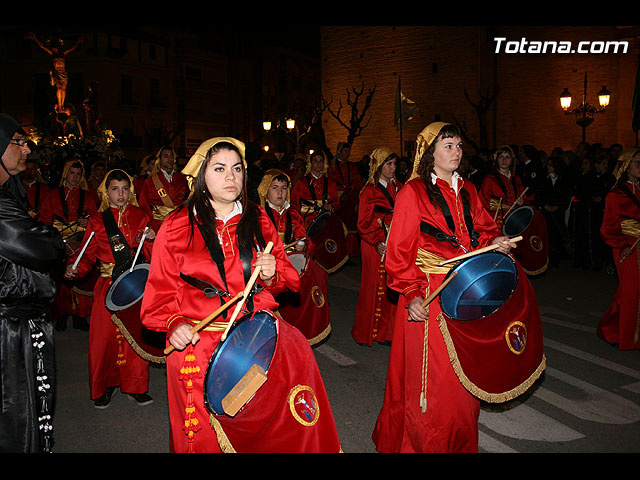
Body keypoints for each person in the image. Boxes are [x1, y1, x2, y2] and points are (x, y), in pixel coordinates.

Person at [140, 137, 341, 453]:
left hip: (253, 339)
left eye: (237, 168)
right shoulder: (176, 225)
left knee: (267, 426)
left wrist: (272, 272)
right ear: (202, 175)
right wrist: (174, 323)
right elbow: (158, 296)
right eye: (219, 169)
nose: (230, 177)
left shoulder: (259, 219)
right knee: (202, 439)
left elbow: (290, 279)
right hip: (197, 343)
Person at [372, 122, 517, 453]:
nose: (456, 151)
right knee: (435, 383)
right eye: (448, 145)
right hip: (429, 292)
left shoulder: (468, 189)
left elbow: (483, 228)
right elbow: (398, 253)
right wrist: (411, 294)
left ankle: (460, 441)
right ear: (429, 152)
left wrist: (495, 240)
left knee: (465, 373)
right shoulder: (413, 192)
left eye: (459, 145)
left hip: (468, 289)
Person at [0, 113, 66, 452]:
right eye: (19, 141)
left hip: (20, 320)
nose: (27, 149)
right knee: (16, 414)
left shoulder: (7, 198)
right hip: (7, 329)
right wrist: (52, 240)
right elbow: (44, 247)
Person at [65, 169, 156, 408]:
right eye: (115, 189)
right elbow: (87, 255)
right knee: (103, 339)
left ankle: (136, 386)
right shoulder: (97, 219)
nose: (121, 194)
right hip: (107, 284)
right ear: (107, 192)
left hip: (135, 284)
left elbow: (152, 256)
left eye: (125, 189)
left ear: (131, 191)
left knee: (134, 335)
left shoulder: (141, 215)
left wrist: (151, 239)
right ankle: (105, 386)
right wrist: (74, 269)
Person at [257, 169, 331, 344]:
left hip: (292, 260)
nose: (280, 193)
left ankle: (308, 325)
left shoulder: (294, 213)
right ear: (265, 190)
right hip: (270, 265)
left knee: (318, 274)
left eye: (283, 188)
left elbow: (306, 241)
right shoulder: (259, 215)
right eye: (275, 188)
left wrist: (303, 244)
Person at [40, 158, 98, 331]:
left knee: (80, 278)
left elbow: (95, 218)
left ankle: (80, 315)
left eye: (78, 174)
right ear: (66, 174)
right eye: (72, 173)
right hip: (59, 241)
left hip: (80, 241)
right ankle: (62, 314)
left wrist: (86, 222)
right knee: (61, 281)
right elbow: (44, 217)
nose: (75, 177)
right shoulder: (52, 194)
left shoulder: (87, 196)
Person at [352, 147, 401, 346]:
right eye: (388, 164)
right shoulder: (369, 191)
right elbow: (363, 223)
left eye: (394, 164)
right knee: (374, 288)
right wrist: (376, 242)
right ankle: (368, 332)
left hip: (394, 244)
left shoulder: (398, 187)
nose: (392, 168)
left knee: (392, 287)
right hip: (374, 245)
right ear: (378, 166)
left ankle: (387, 332)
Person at [597, 148, 640, 351]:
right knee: (630, 291)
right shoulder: (615, 195)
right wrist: (622, 245)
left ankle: (619, 329)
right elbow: (608, 228)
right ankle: (619, 333)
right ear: (626, 166)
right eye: (637, 162)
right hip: (627, 246)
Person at [138, 145, 188, 233]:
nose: (169, 159)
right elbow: (144, 205)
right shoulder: (151, 181)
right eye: (166, 156)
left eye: (171, 156)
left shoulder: (183, 179)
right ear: (159, 159)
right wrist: (149, 224)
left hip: (180, 224)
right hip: (158, 226)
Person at [479, 145, 530, 229]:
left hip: (515, 219)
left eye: (507, 157)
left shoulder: (516, 179)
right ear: (496, 160)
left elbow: (525, 198)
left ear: (512, 160)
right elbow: (482, 202)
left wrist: (522, 202)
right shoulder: (489, 179)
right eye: (501, 157)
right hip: (496, 220)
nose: (504, 160)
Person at [328, 142, 362, 256]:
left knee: (350, 223)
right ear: (339, 151)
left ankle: (351, 251)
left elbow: (358, 181)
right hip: (337, 199)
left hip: (350, 199)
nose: (347, 154)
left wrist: (352, 186)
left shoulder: (352, 166)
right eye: (345, 151)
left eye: (348, 151)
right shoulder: (331, 165)